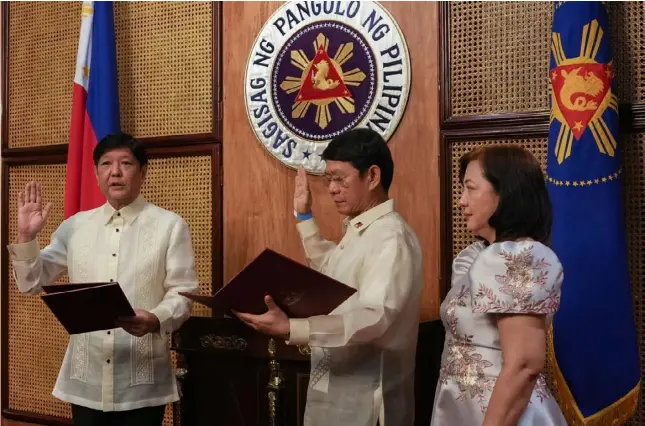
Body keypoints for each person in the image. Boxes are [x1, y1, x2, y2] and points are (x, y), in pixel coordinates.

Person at [6, 132, 199, 426]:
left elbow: (183, 294)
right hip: (87, 381)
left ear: (143, 172)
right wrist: (27, 237)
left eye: (126, 163)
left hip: (143, 381)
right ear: (96, 174)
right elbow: (31, 282)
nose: (116, 172)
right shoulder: (75, 226)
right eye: (106, 164)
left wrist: (157, 318)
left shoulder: (170, 226)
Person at [234, 128, 423, 426]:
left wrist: (291, 327)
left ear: (372, 177)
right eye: (328, 180)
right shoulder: (362, 229)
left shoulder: (391, 237)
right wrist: (304, 217)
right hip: (335, 392)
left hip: (366, 400)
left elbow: (375, 317)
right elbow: (333, 274)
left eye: (339, 178)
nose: (332, 189)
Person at [431, 145, 567, 425]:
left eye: (471, 188)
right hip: (465, 408)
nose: (461, 201)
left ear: (504, 193)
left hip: (504, 414)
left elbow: (524, 365)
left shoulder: (520, 257)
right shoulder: (478, 256)